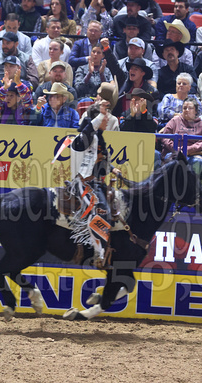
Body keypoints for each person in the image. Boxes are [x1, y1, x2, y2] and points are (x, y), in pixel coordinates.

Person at [68, 97, 120, 266]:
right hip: (84, 182)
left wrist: (111, 169)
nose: (108, 121)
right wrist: (100, 114)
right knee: (100, 208)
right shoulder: (88, 133)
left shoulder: (97, 136)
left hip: (95, 182)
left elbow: (101, 156)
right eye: (105, 118)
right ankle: (98, 251)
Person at [0, 32, 38, 121]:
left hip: (19, 89)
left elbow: (33, 79)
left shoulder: (26, 58)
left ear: (16, 44)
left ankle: (29, 124)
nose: (4, 46)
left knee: (32, 94)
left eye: (8, 43)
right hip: (0, 88)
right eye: (3, 43)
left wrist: (18, 85)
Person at [159, 97, 202, 176]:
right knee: (171, 159)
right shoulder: (174, 121)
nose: (186, 110)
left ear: (195, 111)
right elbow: (165, 137)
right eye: (184, 108)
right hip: (174, 153)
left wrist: (188, 150)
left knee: (198, 162)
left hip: (193, 154)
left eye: (190, 108)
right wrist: (177, 149)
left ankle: (192, 187)